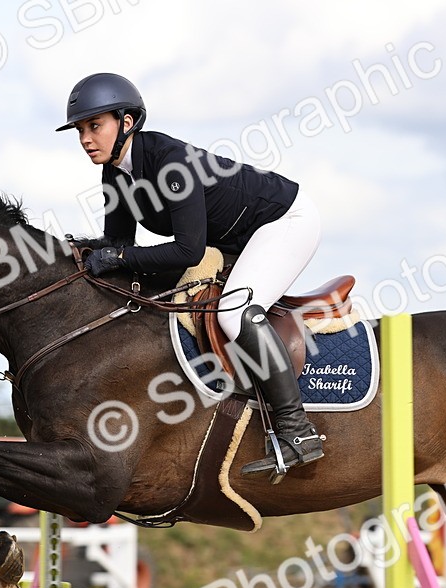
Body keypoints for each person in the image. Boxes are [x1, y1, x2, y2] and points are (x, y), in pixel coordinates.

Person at [57, 73, 325, 479]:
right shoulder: (115, 174)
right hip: (237, 236)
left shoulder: (171, 162)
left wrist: (117, 255)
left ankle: (296, 429)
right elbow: (118, 244)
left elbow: (188, 251)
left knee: (235, 313)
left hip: (284, 221)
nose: (85, 139)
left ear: (127, 122)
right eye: (80, 130)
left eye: (95, 126)